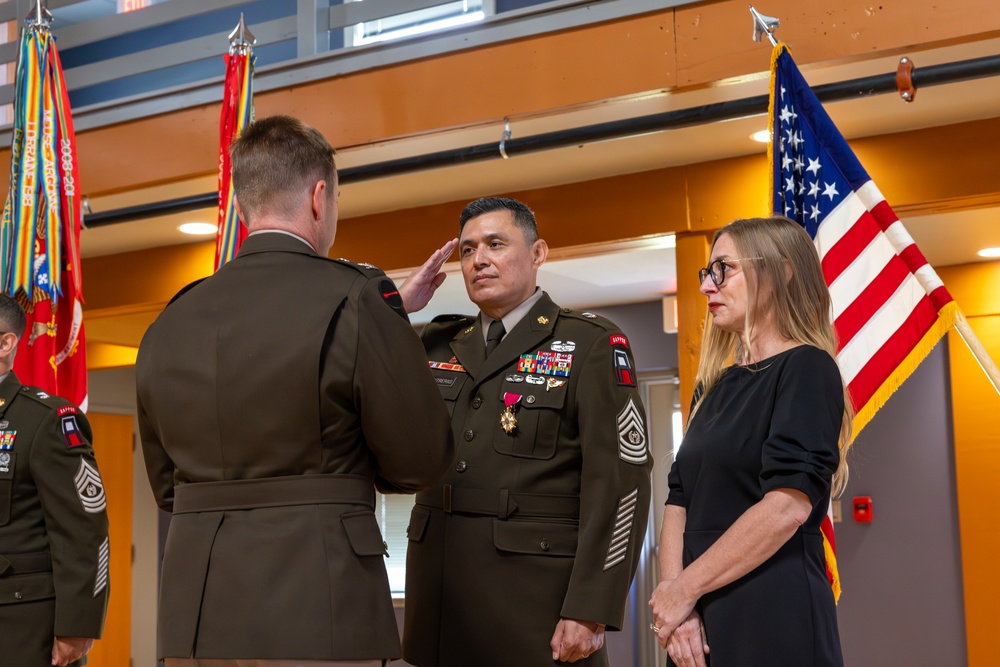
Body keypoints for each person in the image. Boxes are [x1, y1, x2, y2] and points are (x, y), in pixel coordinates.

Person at [135, 115, 455, 667]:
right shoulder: (357, 297)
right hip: (321, 603)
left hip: (196, 613)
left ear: (241, 206)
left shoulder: (172, 317)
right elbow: (420, 459)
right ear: (319, 197)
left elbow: (167, 485)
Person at [399, 196, 653, 666]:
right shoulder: (432, 341)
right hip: (441, 603)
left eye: (496, 244)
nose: (480, 259)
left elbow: (621, 484)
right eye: (469, 250)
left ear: (537, 253)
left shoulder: (590, 343)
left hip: (536, 606)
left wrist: (591, 609)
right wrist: (396, 308)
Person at [647, 216, 854, 667]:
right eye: (707, 272)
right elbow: (678, 499)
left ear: (780, 272)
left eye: (724, 268)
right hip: (697, 617)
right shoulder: (715, 385)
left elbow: (786, 507)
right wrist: (678, 608)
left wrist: (683, 590)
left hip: (772, 611)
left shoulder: (808, 368)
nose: (707, 286)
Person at [0, 294, 109, 667]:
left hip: (20, 625)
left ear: (5, 343)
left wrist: (77, 625)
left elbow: (83, 529)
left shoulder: (46, 420)